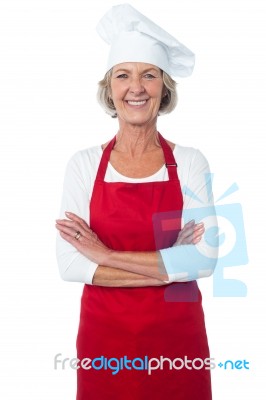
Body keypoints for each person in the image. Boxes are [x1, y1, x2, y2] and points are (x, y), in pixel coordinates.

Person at [55, 4, 218, 399]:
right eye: (123, 76)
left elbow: (204, 260)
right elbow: (71, 264)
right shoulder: (84, 164)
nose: (137, 88)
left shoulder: (191, 161)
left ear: (164, 87)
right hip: (104, 339)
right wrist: (167, 268)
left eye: (149, 75)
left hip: (177, 338)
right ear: (109, 87)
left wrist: (105, 255)